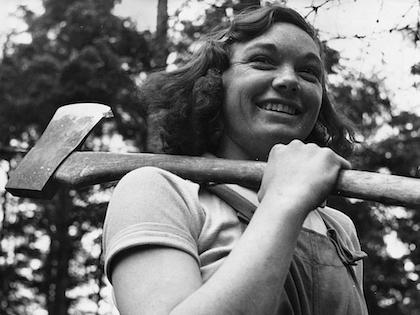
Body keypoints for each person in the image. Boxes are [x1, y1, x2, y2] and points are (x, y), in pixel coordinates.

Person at [102, 4, 369, 315]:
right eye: (262, 61)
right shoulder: (157, 191)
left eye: (309, 72)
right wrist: (284, 202)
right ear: (215, 80)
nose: (289, 80)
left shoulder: (338, 226)